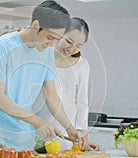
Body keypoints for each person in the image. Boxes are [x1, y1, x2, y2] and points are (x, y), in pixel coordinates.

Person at [0, 0, 82, 150]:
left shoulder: (47, 53)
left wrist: (70, 128)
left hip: (25, 138)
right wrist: (38, 121)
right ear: (35, 26)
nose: (52, 44)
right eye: (49, 37)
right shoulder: (2, 47)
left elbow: (51, 96)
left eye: (56, 39)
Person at [34, 17, 101, 151]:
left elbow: (82, 102)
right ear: (60, 34)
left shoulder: (81, 65)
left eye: (79, 46)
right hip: (37, 129)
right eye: (69, 41)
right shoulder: (41, 56)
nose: (72, 48)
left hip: (66, 134)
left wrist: (83, 133)